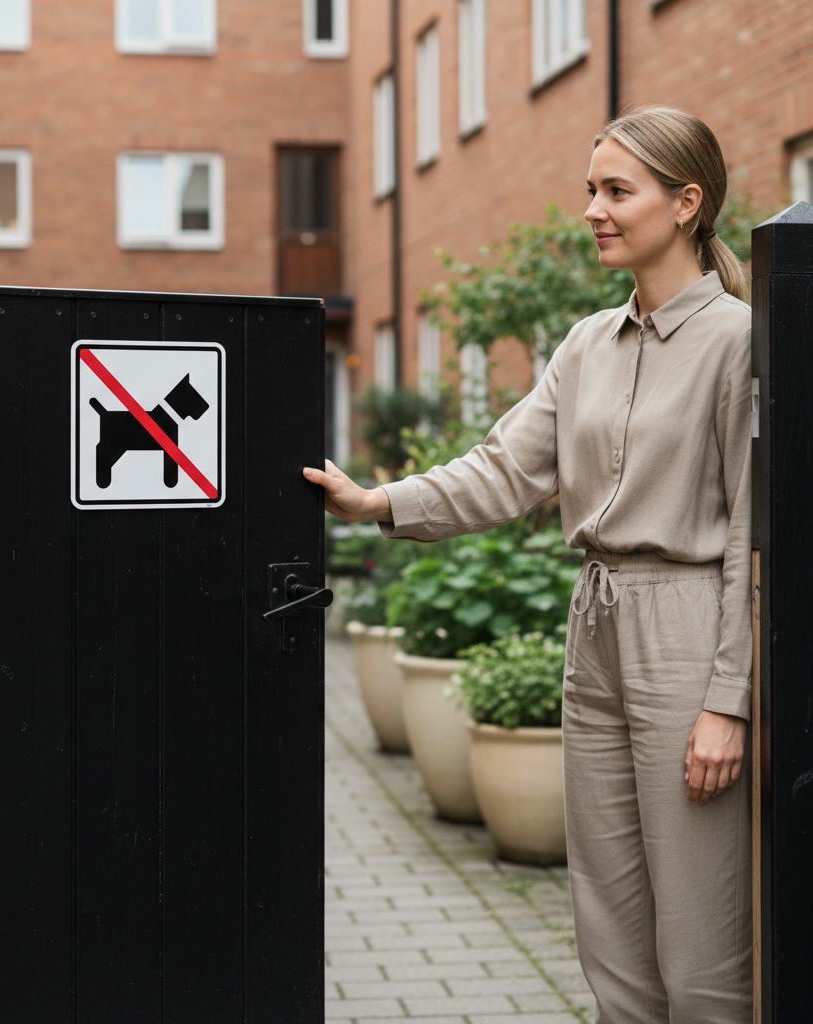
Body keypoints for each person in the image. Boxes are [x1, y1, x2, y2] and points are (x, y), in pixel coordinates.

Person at [306, 106, 752, 1024]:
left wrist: (728, 700)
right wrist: (378, 503)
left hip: (688, 633)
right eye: (591, 189)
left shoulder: (740, 342)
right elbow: (505, 471)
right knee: (609, 925)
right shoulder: (589, 343)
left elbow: (758, 532)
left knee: (700, 940)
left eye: (616, 191)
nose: (592, 209)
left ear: (686, 204)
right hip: (595, 631)